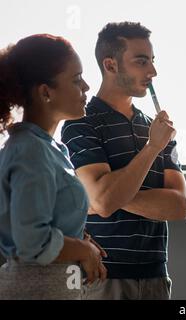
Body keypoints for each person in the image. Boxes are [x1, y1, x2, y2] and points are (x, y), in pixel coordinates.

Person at [61, 22, 186, 300]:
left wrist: (100, 196)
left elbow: (179, 206)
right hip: (103, 278)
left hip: (156, 276)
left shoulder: (156, 127)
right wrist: (153, 147)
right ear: (111, 65)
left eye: (152, 61)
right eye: (141, 62)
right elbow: (105, 201)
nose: (152, 72)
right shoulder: (81, 123)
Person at [0, 34, 107, 299]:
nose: (86, 86)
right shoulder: (31, 151)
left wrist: (80, 241)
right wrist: (84, 250)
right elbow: (32, 242)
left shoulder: (50, 149)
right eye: (76, 79)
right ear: (46, 92)